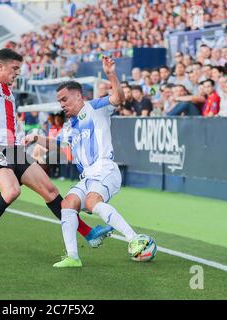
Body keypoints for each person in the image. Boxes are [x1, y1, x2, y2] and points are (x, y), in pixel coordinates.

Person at [0, 31, 113, 265]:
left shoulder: (9, 94)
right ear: (0, 66)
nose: (17, 74)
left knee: (51, 191)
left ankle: (88, 233)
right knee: (12, 191)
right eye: (14, 69)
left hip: (14, 150)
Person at [24, 57, 145, 267]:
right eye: (59, 101)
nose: (61, 104)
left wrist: (110, 74)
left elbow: (118, 97)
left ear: (79, 96)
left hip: (105, 169)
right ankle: (73, 257)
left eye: (65, 99)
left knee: (91, 201)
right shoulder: (69, 126)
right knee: (67, 204)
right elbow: (57, 145)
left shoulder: (95, 107)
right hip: (87, 176)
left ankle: (135, 239)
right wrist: (35, 138)